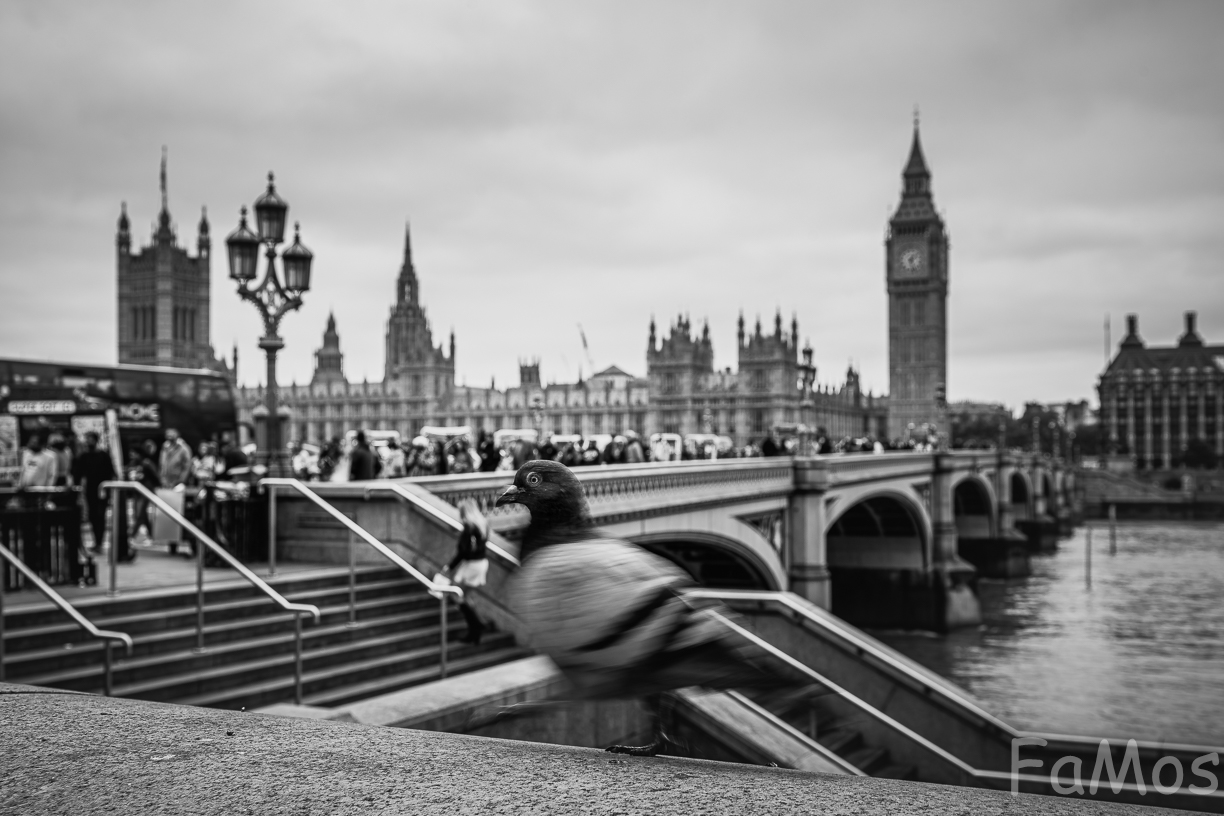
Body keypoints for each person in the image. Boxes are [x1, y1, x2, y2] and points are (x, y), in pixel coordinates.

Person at [442, 500, 490, 644]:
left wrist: (449, 567)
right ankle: (474, 632)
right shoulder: (483, 525)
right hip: (481, 563)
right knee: (465, 596)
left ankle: (477, 624)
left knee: (455, 594)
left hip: (471, 565)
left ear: (464, 512)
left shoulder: (469, 528)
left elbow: (463, 553)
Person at [71, 431, 116, 554]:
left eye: (90, 439)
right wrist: (77, 488)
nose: (88, 441)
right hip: (90, 490)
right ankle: (96, 541)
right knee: (92, 516)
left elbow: (110, 472)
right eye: (87, 439)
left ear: (96, 440)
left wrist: (108, 490)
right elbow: (77, 473)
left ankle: (100, 542)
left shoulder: (103, 455)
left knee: (100, 516)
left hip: (102, 489)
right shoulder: (84, 456)